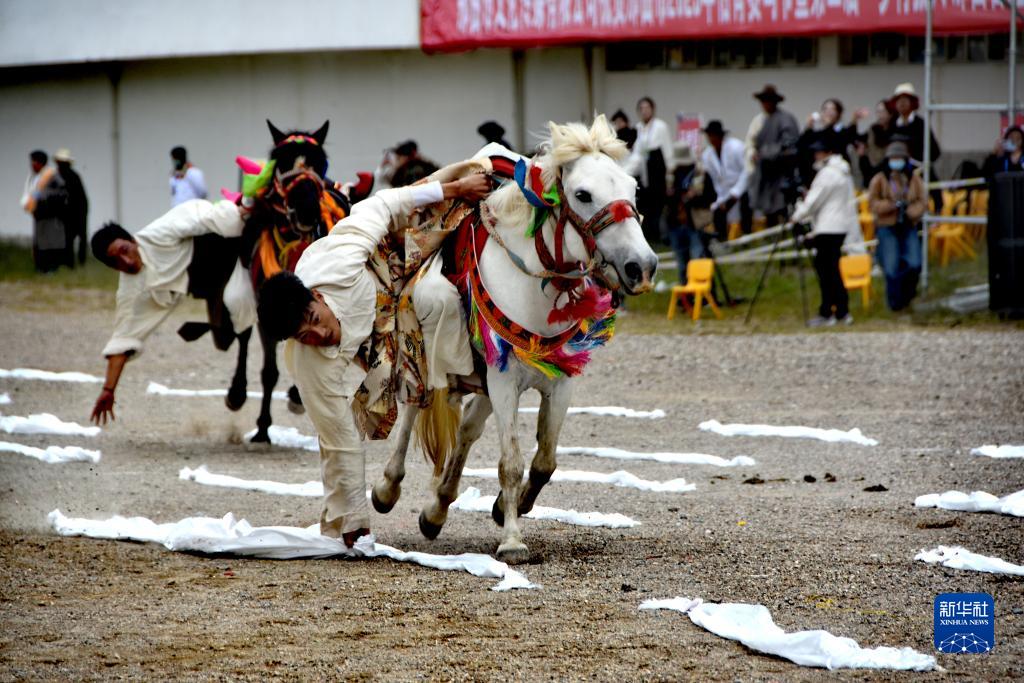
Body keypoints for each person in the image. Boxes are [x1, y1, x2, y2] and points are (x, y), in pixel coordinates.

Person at [256, 175, 490, 546]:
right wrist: (353, 520)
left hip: (391, 263)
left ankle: (467, 374)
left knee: (438, 297)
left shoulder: (342, 258)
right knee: (336, 434)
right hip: (373, 339)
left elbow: (384, 203)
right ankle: (339, 518)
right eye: (304, 337)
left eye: (315, 321)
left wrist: (455, 190)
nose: (318, 336)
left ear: (317, 296)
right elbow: (338, 438)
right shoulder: (308, 358)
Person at [89, 199, 256, 425]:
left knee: (238, 300)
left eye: (125, 250)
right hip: (212, 284)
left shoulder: (159, 233)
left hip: (235, 255)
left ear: (132, 240)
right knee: (223, 339)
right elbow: (123, 337)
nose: (126, 262)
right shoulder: (131, 290)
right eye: (116, 262)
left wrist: (242, 215)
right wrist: (109, 389)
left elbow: (202, 213)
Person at [790, 138, 862, 327]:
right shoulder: (842, 172)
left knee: (826, 272)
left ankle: (828, 311)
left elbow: (814, 201)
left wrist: (797, 215)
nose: (816, 155)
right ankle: (841, 311)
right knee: (832, 270)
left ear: (828, 153)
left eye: (819, 152)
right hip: (839, 226)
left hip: (828, 227)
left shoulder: (828, 173)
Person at [868, 141, 927, 312]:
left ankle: (908, 296)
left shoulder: (914, 178)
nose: (896, 161)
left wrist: (910, 212)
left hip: (908, 225)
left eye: (899, 157)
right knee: (891, 267)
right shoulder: (879, 179)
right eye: (893, 157)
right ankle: (895, 304)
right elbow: (872, 204)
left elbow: (922, 202)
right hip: (887, 225)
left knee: (914, 263)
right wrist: (891, 206)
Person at [746, 85, 800, 231]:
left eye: (768, 101)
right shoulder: (763, 120)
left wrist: (767, 153)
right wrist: (756, 154)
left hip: (781, 175)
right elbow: (754, 143)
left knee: (782, 209)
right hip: (766, 175)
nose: (765, 105)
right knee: (769, 212)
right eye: (763, 101)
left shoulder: (785, 119)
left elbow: (789, 145)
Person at [624, 97, 674, 245]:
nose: (644, 111)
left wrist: (669, 174)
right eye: (641, 108)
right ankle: (651, 235)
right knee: (648, 205)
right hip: (645, 170)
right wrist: (624, 172)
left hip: (658, 167)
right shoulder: (638, 128)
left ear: (653, 109)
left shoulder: (660, 126)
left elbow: (667, 150)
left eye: (647, 107)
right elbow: (637, 155)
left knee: (660, 205)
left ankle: (663, 236)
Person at [21, 150, 68, 273]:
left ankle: (51, 268)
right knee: (39, 243)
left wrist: (44, 196)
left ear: (40, 163)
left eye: (34, 162)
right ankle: (40, 268)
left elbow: (62, 192)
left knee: (50, 242)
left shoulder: (51, 175)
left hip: (50, 216)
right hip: (39, 215)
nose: (32, 165)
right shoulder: (35, 177)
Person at [702, 120, 748, 242]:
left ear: (720, 136)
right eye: (709, 136)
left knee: (745, 211)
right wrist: (720, 199)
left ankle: (746, 238)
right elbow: (716, 181)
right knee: (718, 213)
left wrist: (736, 192)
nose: (711, 139)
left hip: (742, 189)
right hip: (724, 193)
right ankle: (722, 241)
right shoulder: (707, 155)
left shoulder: (736, 147)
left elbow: (747, 171)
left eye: (713, 135)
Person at [54, 148, 88, 267]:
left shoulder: (72, 176)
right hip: (69, 212)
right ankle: (70, 263)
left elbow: (79, 198)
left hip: (77, 211)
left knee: (76, 237)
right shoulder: (59, 176)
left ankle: (78, 261)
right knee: (68, 239)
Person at [855, 101, 892, 188]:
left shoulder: (895, 130)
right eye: (878, 112)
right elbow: (855, 139)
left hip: (888, 172)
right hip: (871, 171)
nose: (880, 115)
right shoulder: (873, 129)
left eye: (883, 111)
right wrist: (855, 119)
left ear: (890, 113)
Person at [375, 140, 440, 189]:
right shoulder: (398, 170)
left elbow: (437, 172)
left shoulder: (421, 165)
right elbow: (382, 179)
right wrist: (383, 165)